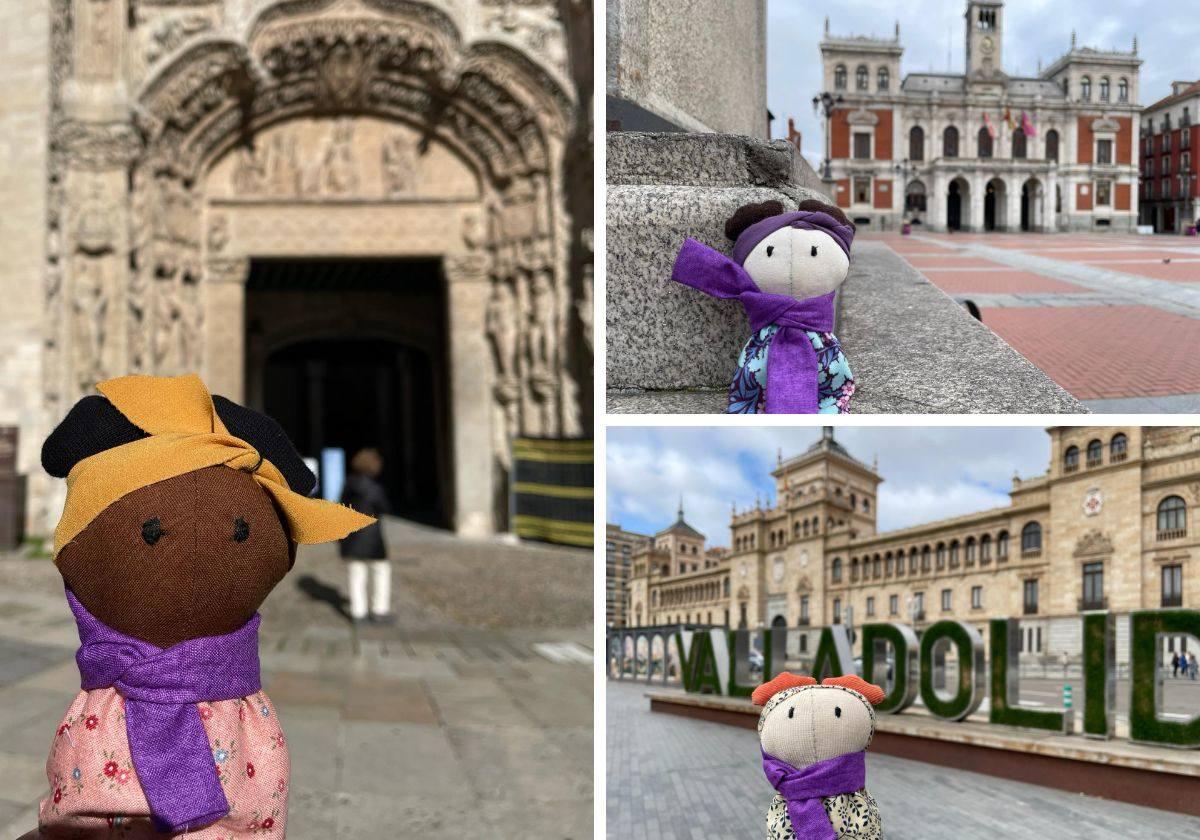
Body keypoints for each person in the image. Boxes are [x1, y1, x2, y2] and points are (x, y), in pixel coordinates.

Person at [338, 448, 393, 625]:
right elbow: (385, 508)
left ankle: (358, 613)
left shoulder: (348, 484)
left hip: (352, 536)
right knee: (381, 570)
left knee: (356, 573)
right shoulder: (375, 488)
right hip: (372, 538)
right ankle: (380, 610)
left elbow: (340, 507)